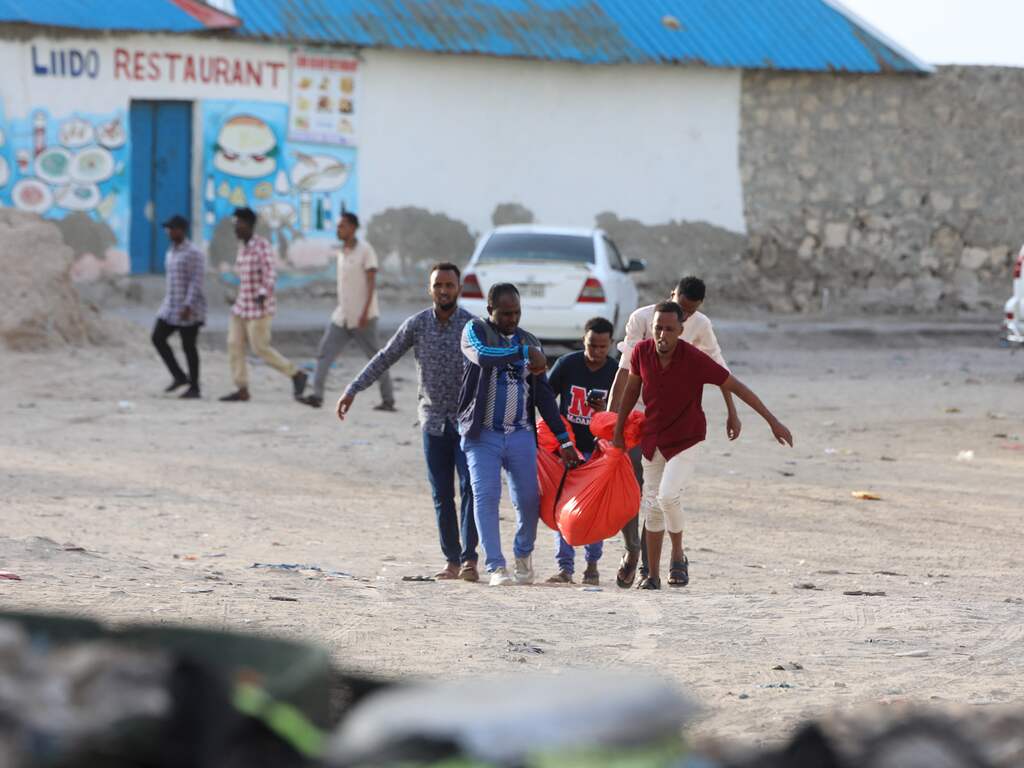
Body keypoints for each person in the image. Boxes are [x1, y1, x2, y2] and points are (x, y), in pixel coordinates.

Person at [612, 301, 793, 590]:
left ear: (681, 331)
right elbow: (632, 390)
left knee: (668, 496)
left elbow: (735, 385)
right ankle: (652, 575)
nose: (662, 335)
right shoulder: (642, 353)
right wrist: (618, 429)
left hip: (686, 438)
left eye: (670, 329)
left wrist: (772, 421)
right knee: (652, 505)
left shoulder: (694, 358)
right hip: (653, 438)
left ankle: (678, 555)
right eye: (658, 328)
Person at [336, 263, 480, 581]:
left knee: (470, 489)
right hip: (431, 423)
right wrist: (353, 388)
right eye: (438, 285)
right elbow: (385, 356)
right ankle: (452, 561)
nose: (444, 290)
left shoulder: (473, 327)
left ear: (459, 288)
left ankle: (471, 560)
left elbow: (494, 367)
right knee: (441, 495)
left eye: (450, 285)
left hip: (467, 423)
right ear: (430, 289)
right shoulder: (417, 325)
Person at [609, 276, 740, 589]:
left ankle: (652, 566)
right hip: (638, 416)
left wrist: (732, 411)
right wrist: (611, 420)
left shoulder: (700, 325)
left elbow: (720, 369)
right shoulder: (642, 319)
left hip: (673, 419)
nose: (683, 315)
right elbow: (625, 372)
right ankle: (632, 552)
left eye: (689, 313)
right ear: (670, 296)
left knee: (658, 497)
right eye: (680, 307)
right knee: (635, 489)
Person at [458, 283, 580, 587]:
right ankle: (495, 567)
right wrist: (524, 353)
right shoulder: (475, 331)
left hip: (521, 435)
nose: (512, 319)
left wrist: (563, 438)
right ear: (490, 311)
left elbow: (544, 397)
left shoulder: (529, 340)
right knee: (486, 497)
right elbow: (485, 356)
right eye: (505, 313)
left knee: (528, 501)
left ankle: (523, 555)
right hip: (481, 434)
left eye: (517, 313)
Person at [543, 316, 618, 585]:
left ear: (610, 344)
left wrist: (604, 412)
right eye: (590, 345)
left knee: (592, 511)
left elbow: (623, 413)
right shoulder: (568, 364)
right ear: (583, 340)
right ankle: (564, 568)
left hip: (599, 452)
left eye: (602, 347)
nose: (596, 352)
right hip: (568, 449)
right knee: (563, 508)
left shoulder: (616, 371)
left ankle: (592, 564)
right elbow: (545, 398)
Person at [299, 212, 394, 410]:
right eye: (338, 226)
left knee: (376, 359)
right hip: (342, 315)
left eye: (341, 226)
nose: (338, 230)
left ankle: (388, 399)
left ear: (352, 227)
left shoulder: (366, 250)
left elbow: (371, 284)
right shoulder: (342, 251)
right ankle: (317, 396)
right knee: (325, 353)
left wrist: (364, 313)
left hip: (364, 317)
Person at [219, 207, 307, 402]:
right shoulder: (242, 248)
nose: (235, 228)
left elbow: (270, 273)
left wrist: (261, 294)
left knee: (260, 348)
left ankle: (296, 374)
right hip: (242, 307)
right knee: (234, 344)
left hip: (260, 308)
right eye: (234, 224)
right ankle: (241, 388)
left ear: (248, 225)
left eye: (238, 224)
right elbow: (245, 277)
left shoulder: (262, 246)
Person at [152, 215, 205, 399]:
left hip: (189, 308)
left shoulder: (194, 253)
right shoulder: (171, 251)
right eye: (168, 229)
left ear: (182, 230)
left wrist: (188, 304)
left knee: (189, 346)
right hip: (170, 306)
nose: (169, 232)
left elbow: (196, 281)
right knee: (157, 337)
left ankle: (195, 387)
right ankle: (179, 376)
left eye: (172, 228)